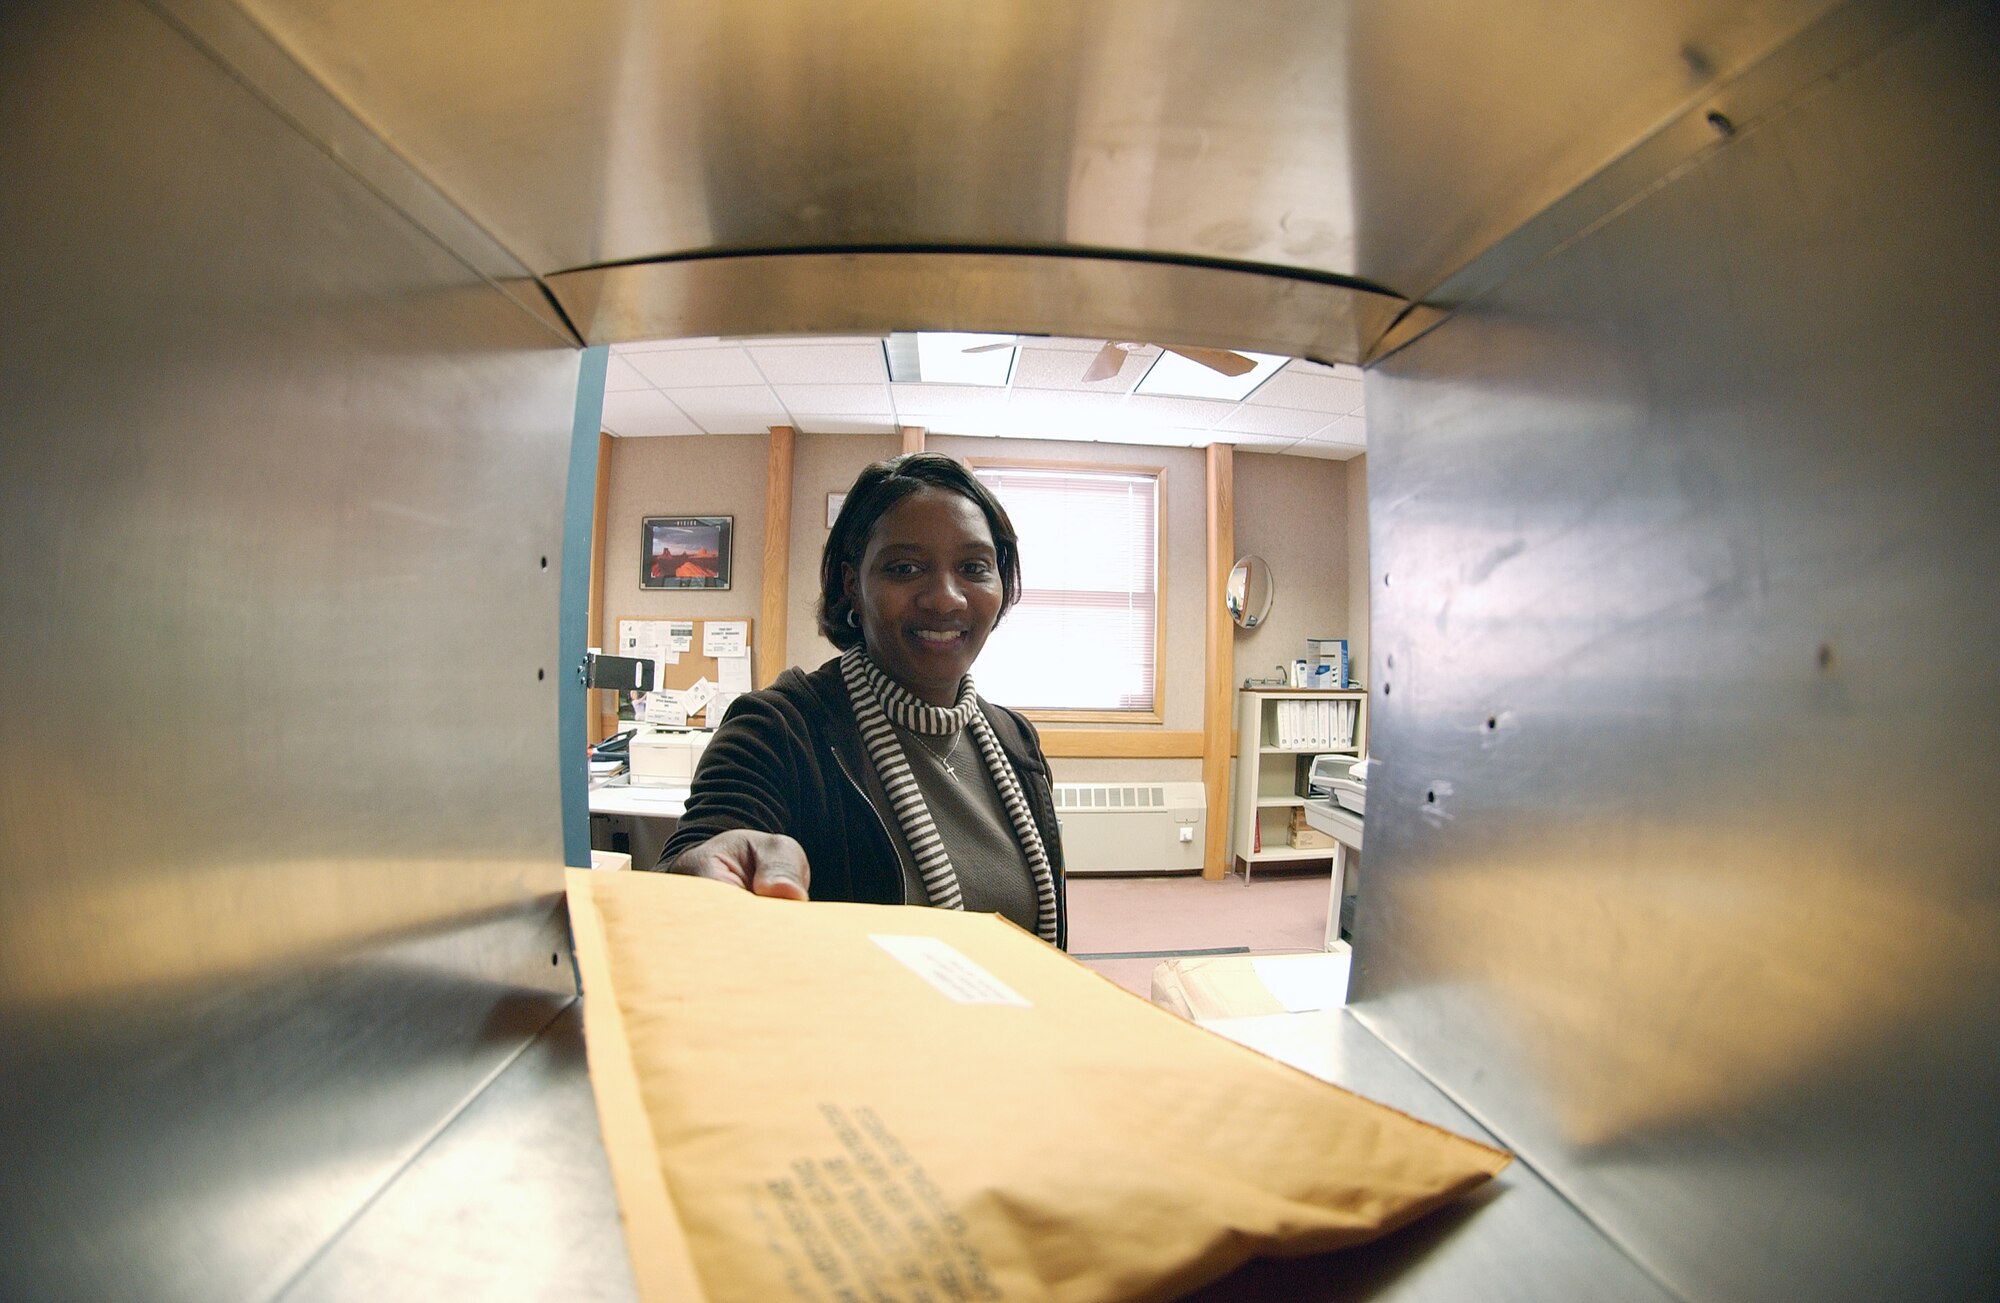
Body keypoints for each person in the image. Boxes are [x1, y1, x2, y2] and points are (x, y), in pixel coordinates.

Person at [651, 453, 1066, 948]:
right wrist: (697, 881)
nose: (946, 598)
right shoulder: (777, 729)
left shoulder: (1015, 741)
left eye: (973, 567)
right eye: (905, 568)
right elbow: (703, 853)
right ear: (852, 584)